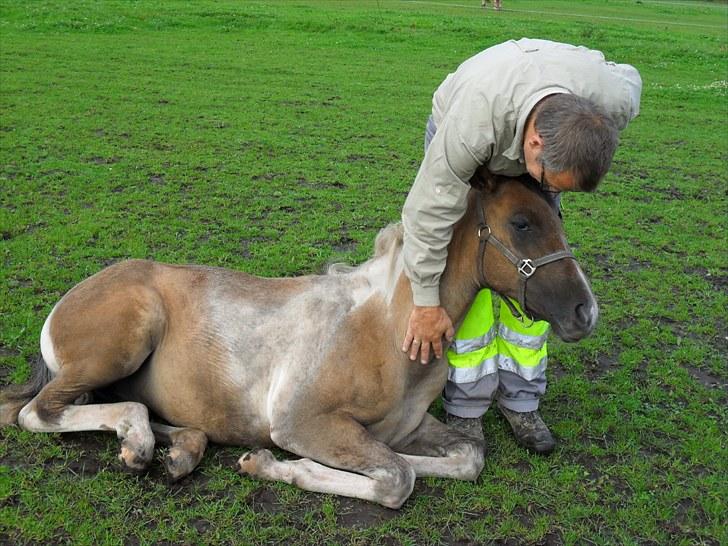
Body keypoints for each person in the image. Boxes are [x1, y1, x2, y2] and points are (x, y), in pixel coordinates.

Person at [401, 38, 641, 454]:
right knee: (469, 260)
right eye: (549, 183)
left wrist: (546, 189)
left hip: (544, 117)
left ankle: (522, 401)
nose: (548, 193)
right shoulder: (470, 129)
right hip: (470, 118)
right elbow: (426, 214)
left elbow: (631, 80)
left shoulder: (613, 99)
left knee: (533, 256)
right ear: (534, 145)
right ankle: (466, 406)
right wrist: (425, 302)